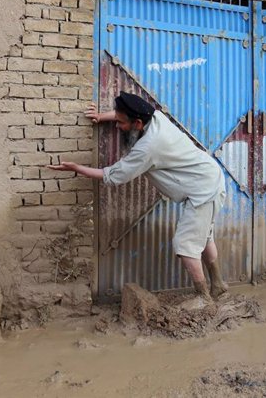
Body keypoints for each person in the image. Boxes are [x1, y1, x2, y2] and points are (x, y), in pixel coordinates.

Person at [47, 91, 228, 301]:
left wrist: (77, 168)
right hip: (209, 179)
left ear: (138, 124)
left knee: (185, 244)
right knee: (204, 237)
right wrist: (102, 116)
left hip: (203, 190)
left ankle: (204, 297)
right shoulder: (155, 116)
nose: (117, 126)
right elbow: (125, 113)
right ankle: (218, 286)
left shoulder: (148, 147)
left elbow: (113, 175)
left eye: (121, 123)